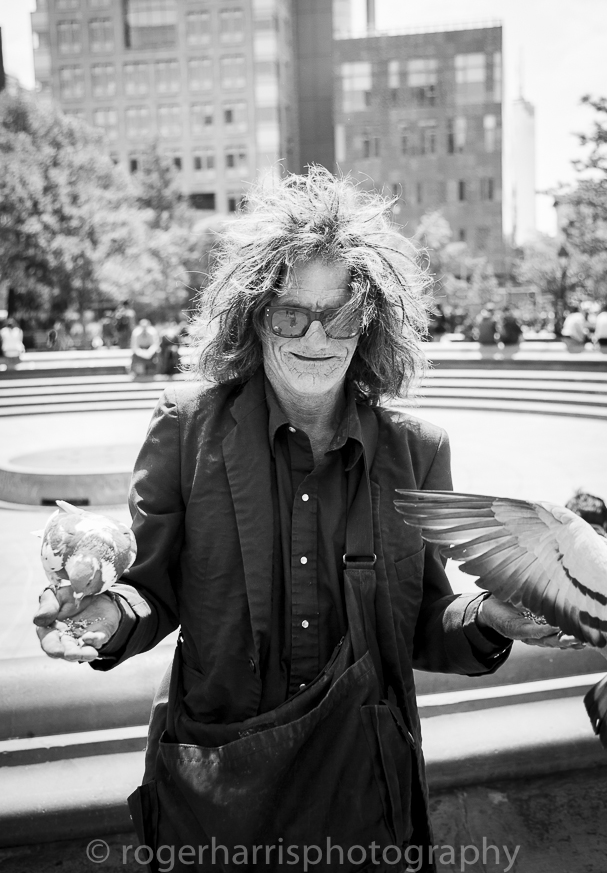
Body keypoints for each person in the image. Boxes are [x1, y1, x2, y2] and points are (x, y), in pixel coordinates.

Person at [33, 169, 580, 872]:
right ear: (255, 317)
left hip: (362, 796)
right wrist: (105, 617)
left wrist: (490, 618)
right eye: (290, 314)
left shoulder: (417, 450)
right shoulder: (186, 428)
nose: (316, 336)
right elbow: (152, 588)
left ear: (368, 322)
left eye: (340, 315)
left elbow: (420, 622)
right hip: (217, 791)